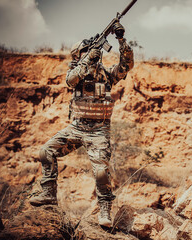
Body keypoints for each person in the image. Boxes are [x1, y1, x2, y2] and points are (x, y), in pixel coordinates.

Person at [29, 22, 134, 227]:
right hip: (76, 128)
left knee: (101, 172)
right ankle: (49, 193)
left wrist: (121, 40)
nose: (92, 54)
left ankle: (105, 210)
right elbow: (71, 79)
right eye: (85, 51)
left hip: (99, 131)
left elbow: (126, 66)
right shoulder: (75, 73)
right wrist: (88, 59)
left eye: (92, 50)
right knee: (45, 152)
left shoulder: (107, 75)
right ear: (78, 55)